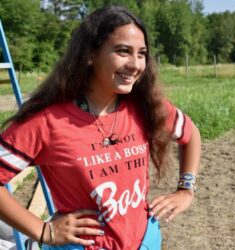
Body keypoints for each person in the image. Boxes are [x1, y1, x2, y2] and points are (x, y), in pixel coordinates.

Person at [0, 5, 201, 250]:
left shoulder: (145, 107)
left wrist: (186, 189)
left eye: (141, 54)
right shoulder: (48, 121)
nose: (136, 64)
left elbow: (190, 135)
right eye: (123, 51)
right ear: (89, 54)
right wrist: (44, 230)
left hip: (146, 242)